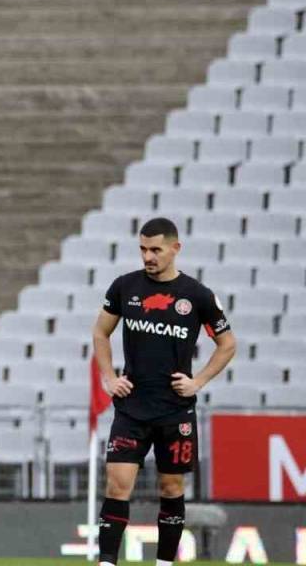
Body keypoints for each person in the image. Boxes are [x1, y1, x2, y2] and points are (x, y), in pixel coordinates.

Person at [92, 217, 236, 566]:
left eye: (155, 249)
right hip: (131, 407)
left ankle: (164, 563)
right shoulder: (124, 287)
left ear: (175, 248)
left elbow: (227, 344)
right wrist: (109, 378)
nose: (148, 257)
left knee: (171, 489)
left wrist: (198, 381)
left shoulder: (197, 296)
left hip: (175, 409)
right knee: (117, 485)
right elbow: (100, 333)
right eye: (143, 249)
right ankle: (107, 562)